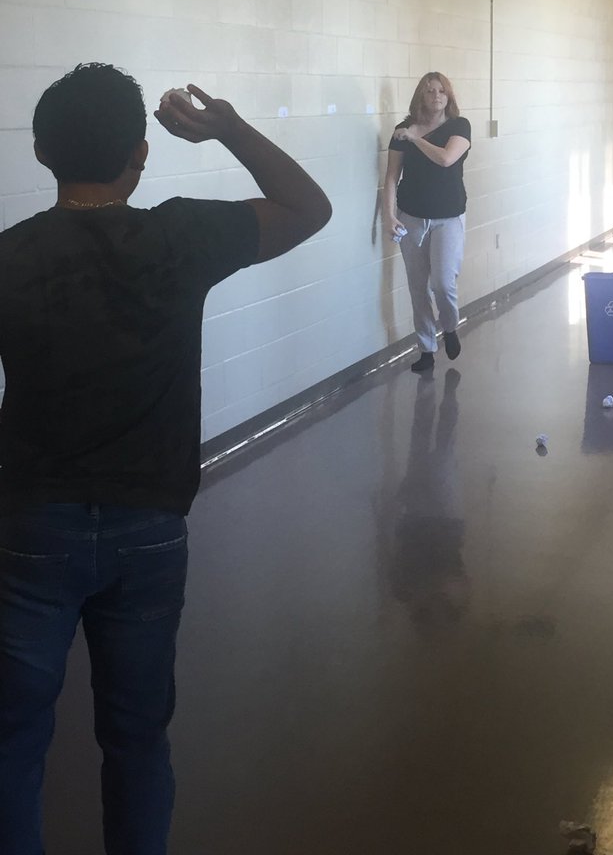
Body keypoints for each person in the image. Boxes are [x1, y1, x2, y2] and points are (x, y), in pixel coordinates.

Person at [0, 64, 331, 855]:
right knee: (138, 736)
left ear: (42, 151)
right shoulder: (180, 237)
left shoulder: (10, 255)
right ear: (140, 154)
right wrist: (229, 128)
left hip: (30, 530)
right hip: (148, 528)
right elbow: (308, 208)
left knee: (12, 741)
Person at [383, 72, 471, 373]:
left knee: (443, 283)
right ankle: (426, 349)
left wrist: (414, 138)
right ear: (421, 95)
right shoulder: (403, 130)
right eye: (430, 91)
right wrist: (389, 215)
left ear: (449, 96)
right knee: (417, 286)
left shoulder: (459, 126)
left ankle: (449, 326)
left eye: (442, 91)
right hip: (411, 217)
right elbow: (392, 176)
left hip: (448, 217)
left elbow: (446, 159)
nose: (436, 96)